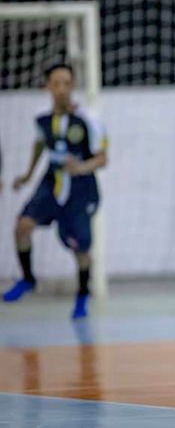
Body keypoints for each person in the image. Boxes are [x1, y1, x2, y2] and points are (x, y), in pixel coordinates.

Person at [3, 63, 108, 319]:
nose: (61, 89)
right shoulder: (42, 120)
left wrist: (82, 166)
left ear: (72, 86)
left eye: (66, 83)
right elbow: (39, 145)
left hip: (81, 189)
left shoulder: (88, 119)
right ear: (48, 87)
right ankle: (28, 279)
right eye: (56, 83)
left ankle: (83, 293)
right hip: (51, 182)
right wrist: (27, 176)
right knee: (22, 226)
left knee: (80, 249)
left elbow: (102, 158)